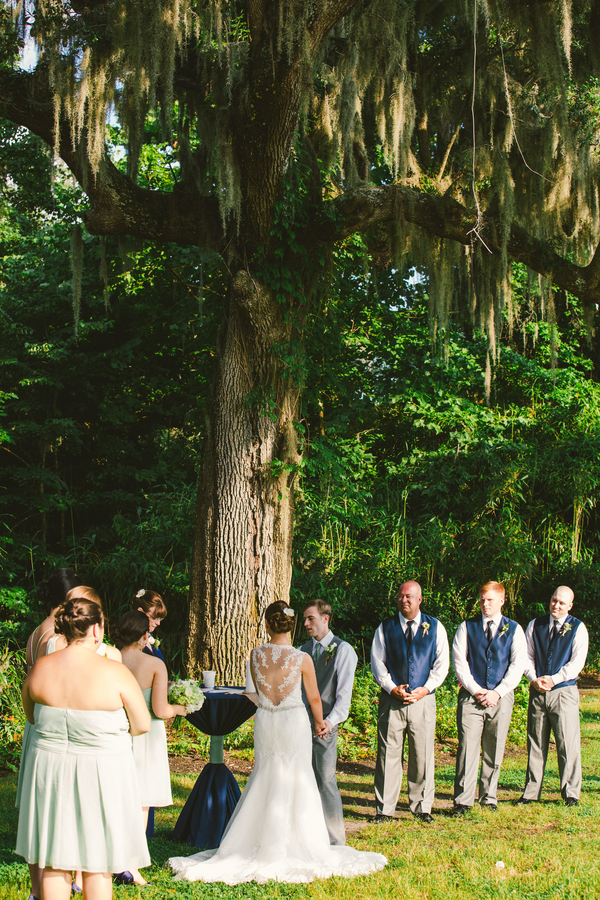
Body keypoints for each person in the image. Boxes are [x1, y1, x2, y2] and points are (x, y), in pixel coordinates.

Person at [168, 601, 387, 884]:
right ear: (291, 624)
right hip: (293, 722)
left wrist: (272, 706)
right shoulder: (301, 658)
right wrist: (320, 722)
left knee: (265, 774)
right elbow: (315, 698)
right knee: (299, 776)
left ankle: (256, 842)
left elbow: (255, 693)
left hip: (267, 721)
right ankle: (300, 843)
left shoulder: (255, 654)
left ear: (267, 624)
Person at [16, 598, 151, 900]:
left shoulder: (41, 668)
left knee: (54, 859)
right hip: (100, 773)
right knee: (97, 861)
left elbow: (31, 715)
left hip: (50, 774)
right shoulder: (114, 672)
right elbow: (142, 724)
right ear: (97, 628)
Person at [20, 568, 82, 900]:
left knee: (39, 806)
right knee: (58, 805)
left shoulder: (36, 631)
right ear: (67, 599)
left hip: (36, 724)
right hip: (54, 727)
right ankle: (59, 879)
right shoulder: (57, 638)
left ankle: (38, 885)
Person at [115, 610, 188, 883]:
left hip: (118, 732)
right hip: (146, 735)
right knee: (142, 802)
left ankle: (113, 858)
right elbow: (159, 709)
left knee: (118, 799)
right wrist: (181, 708)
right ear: (145, 635)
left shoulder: (110, 660)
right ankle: (131, 867)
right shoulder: (154, 665)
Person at [370, 580, 449, 824]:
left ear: (419, 599)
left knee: (422, 754)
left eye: (409, 597)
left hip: (423, 701)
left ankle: (422, 807)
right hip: (392, 700)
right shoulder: (386, 627)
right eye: (401, 596)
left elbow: (441, 663)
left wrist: (425, 689)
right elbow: (377, 662)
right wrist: (391, 687)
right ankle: (385, 809)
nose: (404, 600)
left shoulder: (435, 627)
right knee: (388, 754)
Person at [452, 581, 527, 814]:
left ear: (502, 601)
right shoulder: (467, 627)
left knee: (494, 747)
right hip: (471, 696)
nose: (485, 604)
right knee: (467, 748)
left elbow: (518, 664)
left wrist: (497, 692)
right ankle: (463, 800)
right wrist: (476, 690)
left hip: (501, 696)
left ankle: (488, 796)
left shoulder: (514, 629)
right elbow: (459, 663)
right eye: (482, 599)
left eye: (490, 600)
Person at [518, 585, 589, 807]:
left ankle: (570, 793)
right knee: (535, 742)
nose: (556, 605)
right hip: (538, 690)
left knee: (566, 743)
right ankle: (531, 792)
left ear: (570, 605)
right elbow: (526, 656)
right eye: (554, 600)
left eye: (561, 602)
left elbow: (577, 662)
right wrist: (533, 678)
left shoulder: (578, 628)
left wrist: (554, 679)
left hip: (563, 691)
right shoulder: (534, 625)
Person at [299, 600, 358, 845]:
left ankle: (335, 840)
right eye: (304, 619)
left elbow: (344, 698)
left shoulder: (343, 650)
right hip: (299, 726)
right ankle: (307, 836)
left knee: (325, 781)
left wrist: (328, 723)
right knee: (302, 781)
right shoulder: (301, 650)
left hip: (325, 727)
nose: (305, 623)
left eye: (310, 618)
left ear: (326, 618)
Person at [133, 589, 167, 661]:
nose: (158, 623)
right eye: (154, 618)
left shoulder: (148, 637)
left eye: (160, 619)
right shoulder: (131, 641)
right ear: (140, 612)